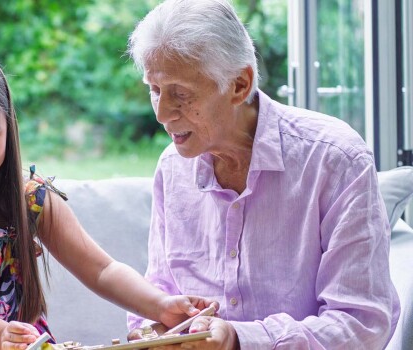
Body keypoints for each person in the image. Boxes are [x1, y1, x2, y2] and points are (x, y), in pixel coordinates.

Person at [0, 45, 218, 350]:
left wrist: (161, 305)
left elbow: (101, 269)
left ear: (8, 128)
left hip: (14, 343)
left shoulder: (31, 199)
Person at [124, 0, 400, 349]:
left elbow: (361, 324)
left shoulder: (335, 159)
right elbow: (158, 293)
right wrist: (154, 332)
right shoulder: (172, 168)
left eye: (180, 94)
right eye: (154, 90)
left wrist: (239, 340)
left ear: (239, 84)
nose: (162, 114)